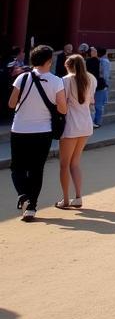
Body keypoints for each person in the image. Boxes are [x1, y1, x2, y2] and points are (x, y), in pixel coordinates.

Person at [8, 45, 68, 221]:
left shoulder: (22, 78)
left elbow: (11, 104)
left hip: (19, 129)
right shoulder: (56, 81)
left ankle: (23, 196)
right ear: (49, 61)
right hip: (42, 131)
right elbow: (63, 109)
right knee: (36, 169)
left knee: (17, 167)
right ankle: (31, 207)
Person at [56, 53, 95, 209]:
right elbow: (92, 100)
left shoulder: (64, 81)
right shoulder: (91, 79)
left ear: (68, 66)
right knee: (75, 163)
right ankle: (78, 196)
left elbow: (61, 103)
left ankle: (65, 199)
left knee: (64, 165)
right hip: (86, 123)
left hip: (71, 124)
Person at [93, 47, 111, 127]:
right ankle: (97, 121)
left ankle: (97, 121)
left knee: (98, 104)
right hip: (101, 84)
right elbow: (105, 74)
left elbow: (105, 74)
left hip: (100, 84)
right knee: (99, 104)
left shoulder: (102, 61)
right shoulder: (103, 61)